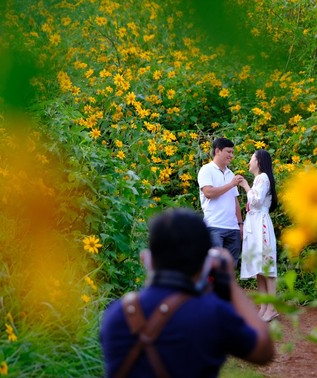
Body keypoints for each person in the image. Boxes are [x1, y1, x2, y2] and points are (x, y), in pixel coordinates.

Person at [100, 208, 274, 377]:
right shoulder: (214, 314)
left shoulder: (116, 314)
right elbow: (264, 350)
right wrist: (229, 281)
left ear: (146, 259)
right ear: (206, 264)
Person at [238, 150, 279, 322]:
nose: (249, 162)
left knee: (267, 267)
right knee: (260, 269)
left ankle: (272, 307)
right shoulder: (259, 179)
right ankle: (264, 306)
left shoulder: (262, 178)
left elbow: (256, 201)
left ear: (259, 162)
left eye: (251, 159)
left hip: (260, 225)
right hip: (254, 225)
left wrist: (246, 186)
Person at [197, 137, 245, 265]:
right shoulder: (206, 170)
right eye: (228, 152)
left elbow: (235, 201)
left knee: (230, 267)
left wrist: (240, 224)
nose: (231, 156)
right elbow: (208, 193)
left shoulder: (230, 173)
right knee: (214, 266)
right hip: (214, 227)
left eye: (232, 152)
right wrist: (231, 184)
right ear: (218, 151)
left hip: (233, 228)